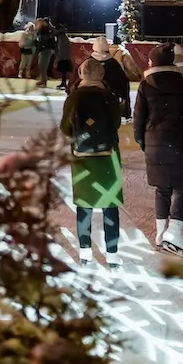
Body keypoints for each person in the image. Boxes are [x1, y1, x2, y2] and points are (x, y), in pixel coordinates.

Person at [134, 42, 183, 256]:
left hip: (154, 142)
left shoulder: (145, 85)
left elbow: (138, 118)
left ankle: (160, 235)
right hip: (180, 141)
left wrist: (143, 142)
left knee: (162, 188)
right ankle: (173, 233)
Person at [61, 57, 125, 267]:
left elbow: (65, 128)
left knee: (84, 205)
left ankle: (85, 252)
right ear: (102, 75)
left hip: (82, 157)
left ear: (81, 74)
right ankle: (113, 255)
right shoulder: (110, 97)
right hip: (108, 156)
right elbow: (115, 123)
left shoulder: (74, 98)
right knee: (110, 204)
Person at [85, 37, 132, 118]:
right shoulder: (113, 64)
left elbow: (76, 78)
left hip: (89, 98)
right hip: (110, 99)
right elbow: (123, 82)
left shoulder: (87, 62)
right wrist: (125, 105)